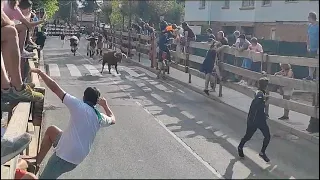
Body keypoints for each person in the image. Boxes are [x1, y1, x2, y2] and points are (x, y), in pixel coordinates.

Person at [25, 67, 116, 179]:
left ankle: (36, 171)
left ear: (83, 97)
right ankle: (36, 164)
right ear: (96, 102)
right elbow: (113, 119)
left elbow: (54, 87)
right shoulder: (99, 117)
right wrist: (105, 105)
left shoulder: (78, 105)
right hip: (77, 158)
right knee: (51, 131)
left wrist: (40, 72)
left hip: (64, 157)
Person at [1, 8, 44, 102]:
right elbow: (4, 21)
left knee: (10, 31)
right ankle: (17, 87)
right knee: (11, 32)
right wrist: (41, 21)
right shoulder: (14, 7)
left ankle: (6, 88)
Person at [238, 77, 271, 163]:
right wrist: (263, 101)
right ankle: (240, 146)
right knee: (248, 136)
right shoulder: (260, 94)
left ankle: (262, 152)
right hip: (254, 119)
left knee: (267, 136)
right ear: (266, 86)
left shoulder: (260, 92)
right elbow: (257, 102)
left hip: (259, 119)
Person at [305, 11, 319, 80]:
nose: (308, 19)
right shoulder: (309, 26)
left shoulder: (318, 25)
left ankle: (318, 77)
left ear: (312, 18)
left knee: (317, 62)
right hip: (311, 47)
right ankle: (310, 76)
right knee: (310, 62)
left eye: (308, 17)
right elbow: (308, 36)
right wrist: (308, 45)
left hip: (317, 48)